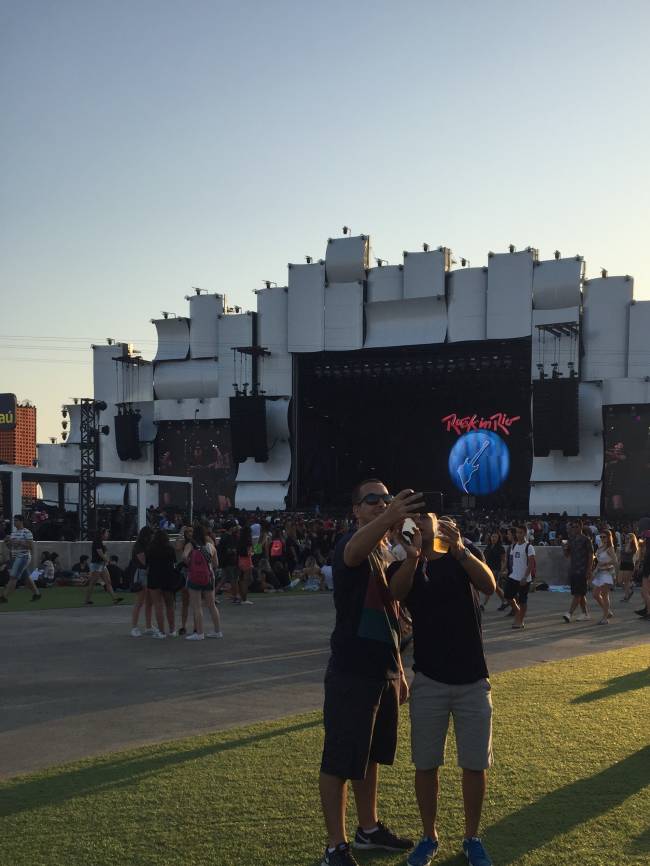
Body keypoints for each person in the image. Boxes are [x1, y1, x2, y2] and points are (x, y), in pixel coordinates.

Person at [318, 480, 423, 866]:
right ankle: (336, 846)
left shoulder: (384, 550)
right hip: (351, 668)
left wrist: (412, 559)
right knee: (340, 760)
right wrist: (391, 517)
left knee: (370, 756)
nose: (381, 503)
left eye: (386, 498)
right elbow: (351, 552)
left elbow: (395, 598)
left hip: (382, 669)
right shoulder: (354, 542)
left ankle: (368, 828)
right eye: (372, 500)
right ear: (356, 510)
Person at [389, 512, 496, 866]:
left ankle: (472, 836)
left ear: (439, 522)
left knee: (474, 764)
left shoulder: (460, 555)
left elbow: (489, 585)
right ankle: (428, 836)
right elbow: (397, 592)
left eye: (425, 518)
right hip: (430, 680)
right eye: (412, 520)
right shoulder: (406, 562)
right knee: (426, 764)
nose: (418, 524)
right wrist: (414, 555)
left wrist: (461, 549)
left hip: (473, 680)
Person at [183, 522, 222, 641]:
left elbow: (184, 557)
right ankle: (217, 631)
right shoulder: (210, 546)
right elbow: (216, 564)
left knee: (197, 606)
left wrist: (190, 564)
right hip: (208, 577)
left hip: (194, 577)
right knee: (212, 605)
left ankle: (199, 633)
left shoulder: (190, 545)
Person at [0, 515, 42, 604]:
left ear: (21, 521)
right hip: (16, 557)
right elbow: (11, 547)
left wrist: (19, 542)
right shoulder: (14, 533)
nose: (14, 522)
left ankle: (4, 596)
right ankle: (37, 594)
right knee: (26, 578)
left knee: (13, 577)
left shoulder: (27, 532)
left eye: (16, 520)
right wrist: (7, 542)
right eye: (14, 520)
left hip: (23, 556)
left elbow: (31, 547)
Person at [147, 529, 178, 637]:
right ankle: (172, 630)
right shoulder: (170, 548)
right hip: (168, 577)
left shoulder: (151, 548)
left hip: (154, 577)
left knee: (158, 605)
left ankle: (161, 631)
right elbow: (174, 562)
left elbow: (147, 563)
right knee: (170, 604)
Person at [503, 525, 534, 629]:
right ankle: (518, 612)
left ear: (525, 533)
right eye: (517, 532)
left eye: (521, 532)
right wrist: (507, 570)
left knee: (522, 600)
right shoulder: (514, 546)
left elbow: (531, 563)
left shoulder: (529, 547)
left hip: (524, 579)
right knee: (507, 596)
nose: (518, 534)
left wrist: (525, 577)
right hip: (513, 576)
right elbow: (512, 561)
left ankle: (520, 620)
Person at [562, 519, 593, 622]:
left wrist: (589, 570)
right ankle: (585, 613)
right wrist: (565, 548)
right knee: (579, 593)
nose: (574, 529)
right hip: (574, 569)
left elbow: (590, 555)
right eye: (573, 527)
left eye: (576, 527)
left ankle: (569, 613)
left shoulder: (586, 539)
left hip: (582, 569)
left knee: (578, 593)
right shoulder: (571, 539)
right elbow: (567, 555)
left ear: (581, 527)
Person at [130, 526, 153, 636]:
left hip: (147, 573)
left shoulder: (147, 544)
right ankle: (134, 627)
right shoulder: (139, 546)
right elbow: (143, 561)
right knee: (139, 602)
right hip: (142, 573)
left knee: (149, 602)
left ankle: (149, 626)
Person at [592, 529, 617, 624]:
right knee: (595, 594)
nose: (602, 538)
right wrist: (595, 569)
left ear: (609, 537)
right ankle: (607, 611)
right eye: (601, 537)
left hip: (606, 573)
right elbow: (599, 561)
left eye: (604, 537)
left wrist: (605, 563)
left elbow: (615, 561)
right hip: (599, 572)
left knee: (605, 595)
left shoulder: (610, 548)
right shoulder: (600, 547)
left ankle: (605, 618)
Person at [481, 531, 506, 609]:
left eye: (495, 537)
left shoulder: (501, 548)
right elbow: (484, 558)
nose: (493, 538)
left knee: (490, 586)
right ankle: (505, 601)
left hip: (496, 570)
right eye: (492, 537)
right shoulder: (488, 547)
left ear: (498, 538)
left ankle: (483, 604)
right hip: (488, 569)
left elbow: (504, 560)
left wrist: (502, 571)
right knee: (496, 588)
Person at [619, 531, 638, 602]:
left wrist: (630, 542)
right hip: (623, 564)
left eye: (629, 538)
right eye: (626, 538)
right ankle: (629, 591)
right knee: (620, 581)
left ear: (632, 539)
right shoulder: (624, 545)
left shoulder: (634, 547)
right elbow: (621, 554)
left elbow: (627, 551)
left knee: (626, 581)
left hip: (629, 564)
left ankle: (626, 596)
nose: (627, 539)